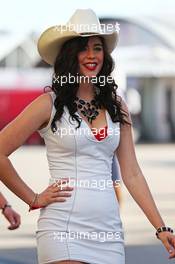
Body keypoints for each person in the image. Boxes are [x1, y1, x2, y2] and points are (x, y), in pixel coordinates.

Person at [0, 8, 174, 264]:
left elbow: (133, 174)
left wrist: (161, 228)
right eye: (83, 48)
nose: (92, 55)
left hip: (109, 233)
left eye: (97, 47)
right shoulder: (47, 104)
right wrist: (33, 198)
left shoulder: (117, 105)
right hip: (62, 230)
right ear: (70, 56)